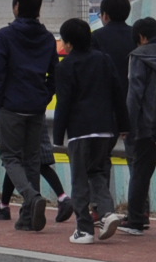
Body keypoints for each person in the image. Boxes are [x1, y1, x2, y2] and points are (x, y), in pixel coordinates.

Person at [0, 0, 59, 231]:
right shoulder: (48, 38)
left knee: (10, 156)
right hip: (36, 106)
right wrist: (44, 96)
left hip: (10, 105)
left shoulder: (5, 36)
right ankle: (28, 218)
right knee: (31, 159)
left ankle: (32, 197)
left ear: (16, 7)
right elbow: (54, 74)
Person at [53, 17, 127, 244]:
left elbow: (63, 103)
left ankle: (84, 229)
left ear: (69, 43)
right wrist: (124, 124)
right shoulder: (103, 60)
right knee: (97, 174)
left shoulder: (66, 66)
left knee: (79, 179)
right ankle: (107, 212)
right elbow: (117, 92)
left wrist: (58, 135)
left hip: (80, 131)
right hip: (105, 129)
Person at [123, 17, 156, 235]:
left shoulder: (138, 56)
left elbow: (135, 95)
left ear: (141, 37)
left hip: (145, 126)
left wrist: (128, 125)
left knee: (140, 174)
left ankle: (136, 221)